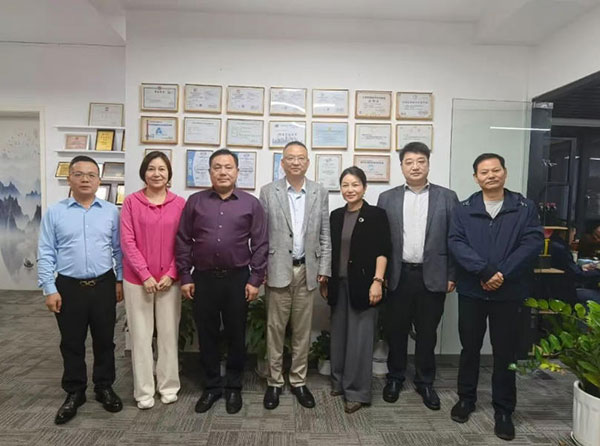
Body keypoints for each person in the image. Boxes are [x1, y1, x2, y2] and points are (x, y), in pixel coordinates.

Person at [448, 153, 544, 441]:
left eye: (495, 170)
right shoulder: (464, 208)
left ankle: (504, 410)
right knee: (470, 348)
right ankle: (466, 399)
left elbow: (532, 242)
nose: (490, 175)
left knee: (506, 352)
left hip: (509, 291)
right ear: (475, 177)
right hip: (472, 290)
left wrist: (502, 273)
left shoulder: (524, 207)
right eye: (484, 172)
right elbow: (456, 242)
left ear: (505, 172)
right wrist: (485, 271)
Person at [175, 148, 268, 415]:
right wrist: (185, 275)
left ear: (237, 171)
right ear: (210, 172)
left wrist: (255, 279)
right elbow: (183, 240)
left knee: (236, 334)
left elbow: (261, 243)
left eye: (228, 167)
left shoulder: (251, 204)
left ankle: (234, 387)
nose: (223, 172)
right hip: (203, 278)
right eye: (217, 167)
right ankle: (212, 386)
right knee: (207, 334)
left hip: (237, 279)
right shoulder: (195, 202)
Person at [37, 155, 123, 425]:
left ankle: (104, 386)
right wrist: (49, 288)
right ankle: (75, 391)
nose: (85, 179)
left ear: (99, 180)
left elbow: (119, 250)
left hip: (103, 284)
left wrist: (120, 280)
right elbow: (46, 252)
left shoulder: (111, 212)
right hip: (68, 287)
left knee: (105, 340)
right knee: (72, 342)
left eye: (91, 175)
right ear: (69, 179)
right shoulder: (55, 212)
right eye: (79, 174)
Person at [377, 142, 459, 410]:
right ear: (401, 166)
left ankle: (425, 382)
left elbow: (455, 239)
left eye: (421, 161)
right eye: (409, 162)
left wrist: (452, 274)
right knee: (396, 331)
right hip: (398, 274)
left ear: (428, 164)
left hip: (432, 275)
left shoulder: (447, 197)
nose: (415, 166)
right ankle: (395, 378)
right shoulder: (387, 198)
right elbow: (381, 242)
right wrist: (382, 275)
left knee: (427, 333)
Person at [259, 141, 332, 410]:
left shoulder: (319, 192)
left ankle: (298, 381)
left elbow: (325, 234)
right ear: (282, 162)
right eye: (290, 158)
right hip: (277, 268)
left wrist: (324, 269)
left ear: (308, 162)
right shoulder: (268, 192)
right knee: (275, 330)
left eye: (301, 158)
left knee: (302, 331)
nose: (296, 162)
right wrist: (261, 268)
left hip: (307, 270)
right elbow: (260, 235)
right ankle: (274, 382)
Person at [120, 151, 185, 409]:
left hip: (170, 281)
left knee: (169, 336)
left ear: (169, 174)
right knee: (140, 337)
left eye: (161, 169)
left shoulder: (180, 204)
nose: (156, 173)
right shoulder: (131, 202)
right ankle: (144, 391)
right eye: (151, 168)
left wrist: (172, 272)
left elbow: (184, 242)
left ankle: (168, 386)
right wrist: (144, 274)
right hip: (138, 281)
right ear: (143, 173)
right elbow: (127, 241)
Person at [326, 166, 390, 413]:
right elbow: (329, 251)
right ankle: (339, 381)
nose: (350, 189)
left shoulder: (376, 215)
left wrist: (378, 281)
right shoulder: (335, 216)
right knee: (339, 336)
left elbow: (383, 250)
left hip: (365, 285)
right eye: (345, 185)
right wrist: (325, 281)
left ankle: (357, 392)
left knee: (360, 340)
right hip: (338, 284)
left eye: (355, 184)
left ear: (364, 187)